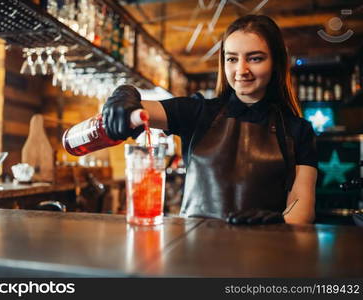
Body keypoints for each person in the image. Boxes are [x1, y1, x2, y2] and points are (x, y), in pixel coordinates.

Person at [102, 15, 317, 225]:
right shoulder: (198, 112)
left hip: (265, 251)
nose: (241, 70)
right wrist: (124, 95)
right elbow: (138, 111)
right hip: (195, 253)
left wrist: (279, 222)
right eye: (232, 59)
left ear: (276, 63)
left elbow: (302, 208)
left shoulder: (297, 131)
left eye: (255, 58)